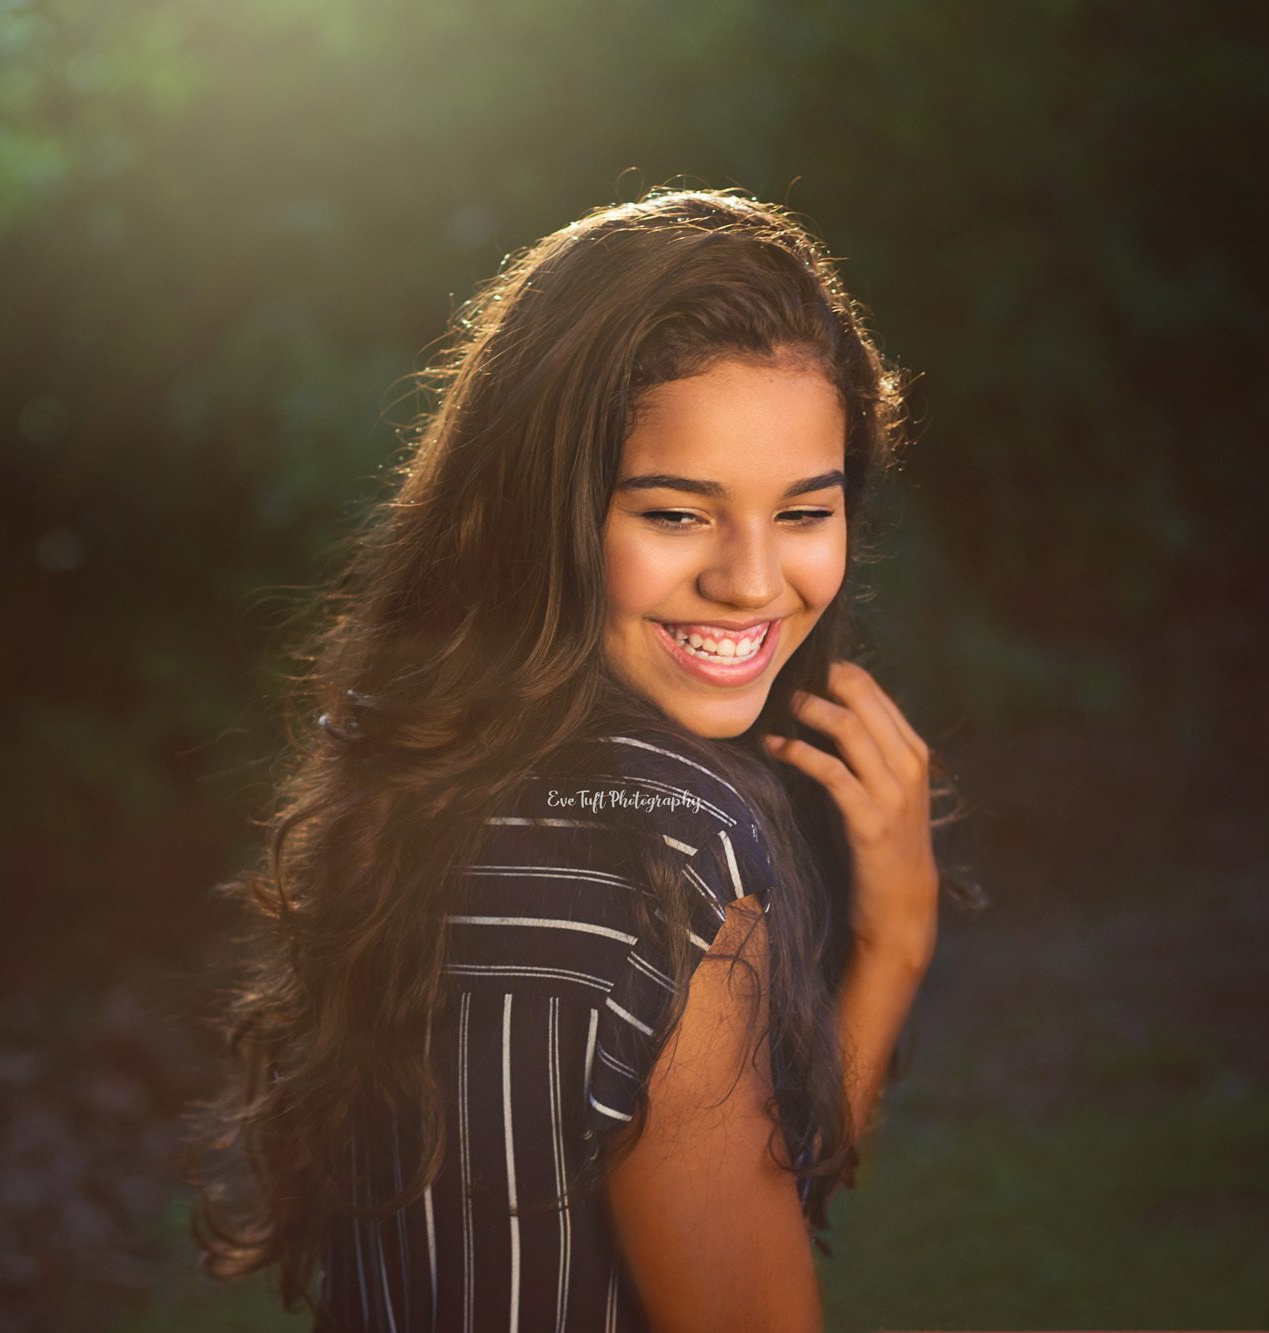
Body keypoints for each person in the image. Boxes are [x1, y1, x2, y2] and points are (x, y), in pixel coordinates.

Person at [187, 186, 967, 1332]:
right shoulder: (670, 843)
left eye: (804, 511)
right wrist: (894, 932)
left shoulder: (416, 780)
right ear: (543, 508)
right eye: (675, 514)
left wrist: (889, 943)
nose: (752, 581)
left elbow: (727, 1212)